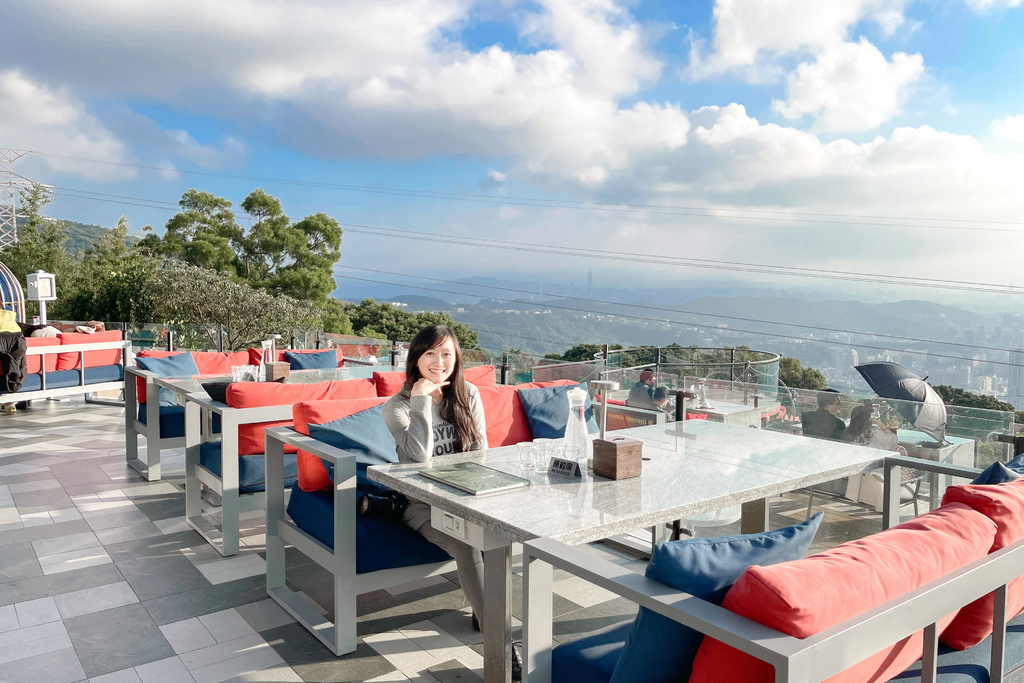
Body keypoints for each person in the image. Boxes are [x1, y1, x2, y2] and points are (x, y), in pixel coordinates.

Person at [382, 325, 523, 676]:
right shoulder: (395, 407)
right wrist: (420, 401)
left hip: (467, 498)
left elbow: (480, 455)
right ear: (416, 358)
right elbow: (417, 458)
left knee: (496, 542)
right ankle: (501, 645)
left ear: (457, 358)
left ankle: (485, 611)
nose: (439, 361)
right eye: (430, 353)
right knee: (466, 546)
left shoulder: (468, 394)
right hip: (422, 505)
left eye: (447, 353)